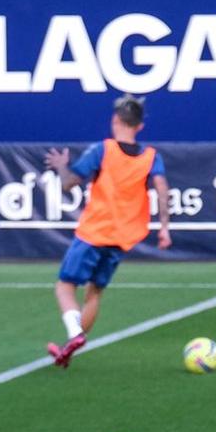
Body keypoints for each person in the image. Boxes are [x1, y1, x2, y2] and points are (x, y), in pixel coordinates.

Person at [42, 97, 172, 369]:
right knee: (95, 293)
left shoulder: (104, 149)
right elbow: (161, 188)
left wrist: (61, 165)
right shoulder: (151, 156)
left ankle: (75, 334)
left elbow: (68, 183)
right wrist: (163, 228)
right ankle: (71, 348)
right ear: (139, 126)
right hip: (122, 238)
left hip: (95, 230)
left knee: (65, 287)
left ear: (115, 121)